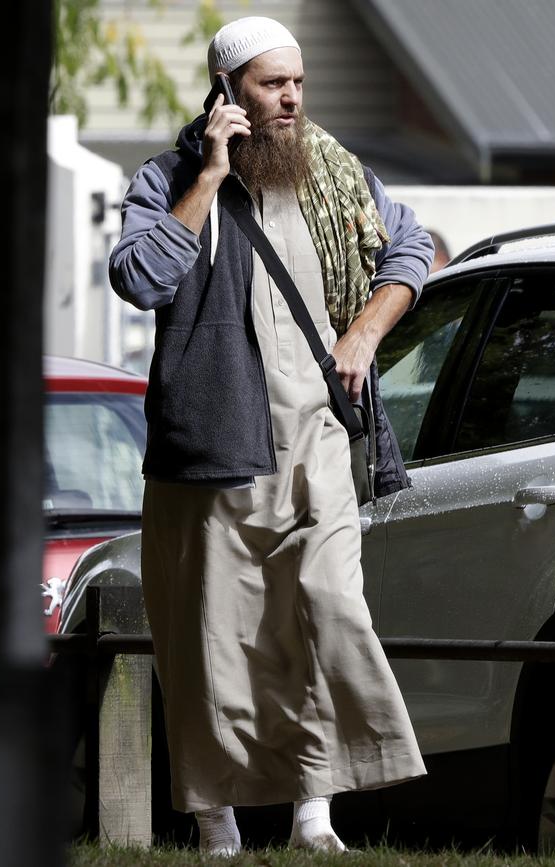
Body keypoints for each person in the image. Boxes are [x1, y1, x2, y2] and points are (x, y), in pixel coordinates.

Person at [109, 16, 433, 855]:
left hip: (319, 434)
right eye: (270, 84)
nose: (290, 99)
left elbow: (412, 249)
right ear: (227, 93)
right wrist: (211, 174)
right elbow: (139, 275)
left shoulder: (332, 170)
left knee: (328, 607)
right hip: (214, 446)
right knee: (214, 638)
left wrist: (364, 331)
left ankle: (314, 813)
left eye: (297, 82)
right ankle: (217, 822)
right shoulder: (171, 177)